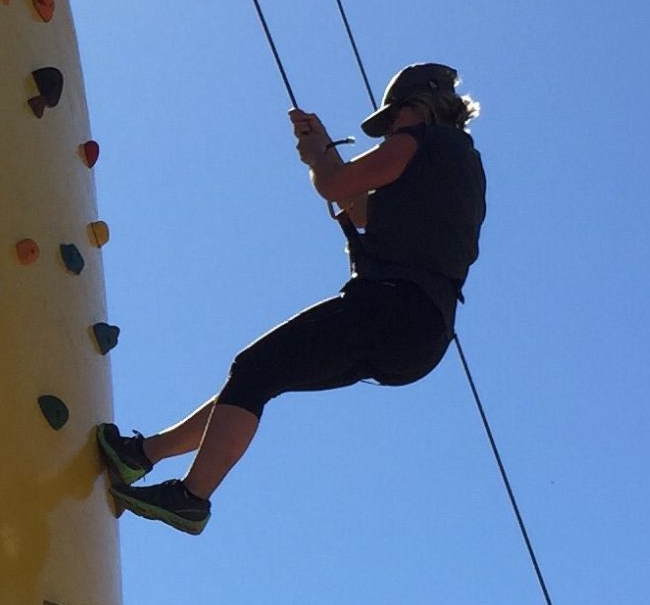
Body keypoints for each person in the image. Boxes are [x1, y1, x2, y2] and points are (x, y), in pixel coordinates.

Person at [96, 63, 488, 534]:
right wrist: (322, 155)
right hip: (422, 334)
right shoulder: (460, 169)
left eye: (394, 118)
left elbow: (336, 186)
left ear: (422, 105)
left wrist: (319, 157)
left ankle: (190, 497)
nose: (390, 132)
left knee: (254, 368)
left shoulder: (423, 141)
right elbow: (362, 209)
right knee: (259, 377)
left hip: (391, 306)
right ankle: (143, 455)